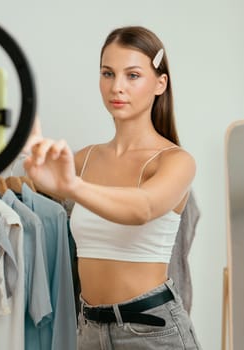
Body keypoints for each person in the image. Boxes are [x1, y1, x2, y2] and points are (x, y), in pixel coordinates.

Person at [23, 26, 201, 350]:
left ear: (160, 83)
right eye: (108, 73)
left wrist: (72, 187)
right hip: (90, 330)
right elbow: (42, 184)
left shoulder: (176, 161)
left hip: (153, 332)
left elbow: (142, 208)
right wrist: (28, 155)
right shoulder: (85, 158)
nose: (116, 87)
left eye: (132, 75)